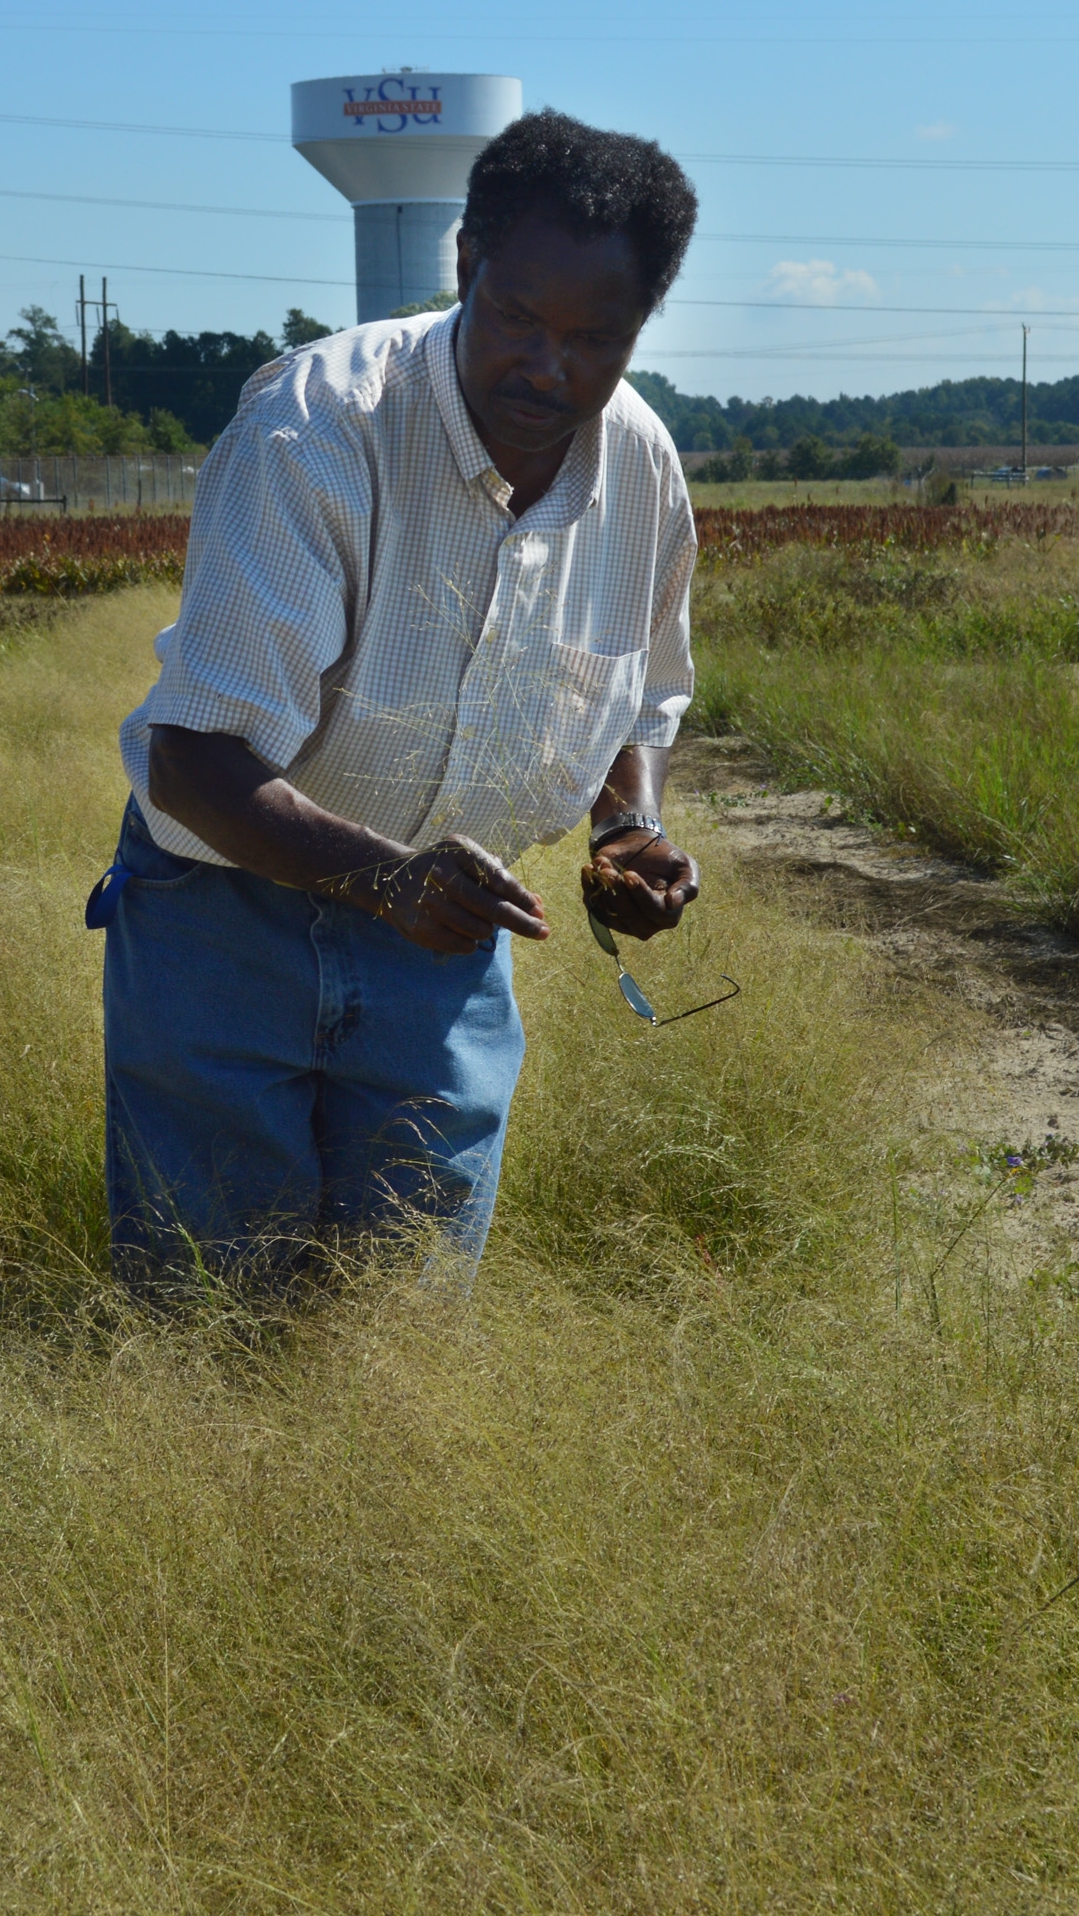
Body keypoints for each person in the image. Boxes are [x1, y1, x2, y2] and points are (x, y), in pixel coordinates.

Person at [90, 108, 703, 1302]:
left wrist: (628, 825)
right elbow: (192, 756)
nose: (549, 368)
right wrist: (382, 882)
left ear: (642, 326)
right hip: (223, 913)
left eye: (595, 338)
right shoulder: (317, 428)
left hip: (444, 938)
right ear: (465, 263)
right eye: (517, 318)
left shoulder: (641, 471)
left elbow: (639, 694)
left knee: (404, 1317)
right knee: (211, 1303)